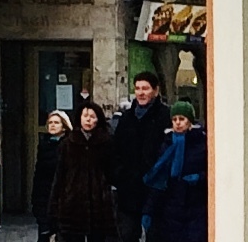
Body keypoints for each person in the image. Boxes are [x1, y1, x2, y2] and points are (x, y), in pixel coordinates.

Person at [109, 73, 171, 242]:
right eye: (137, 88)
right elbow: (116, 150)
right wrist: (119, 175)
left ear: (155, 91)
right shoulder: (126, 118)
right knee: (127, 234)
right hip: (128, 189)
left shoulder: (165, 116)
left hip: (156, 188)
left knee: (156, 235)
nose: (141, 93)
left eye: (145, 88)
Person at [49, 101, 115, 242]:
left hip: (99, 206)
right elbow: (59, 176)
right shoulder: (68, 143)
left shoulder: (106, 142)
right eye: (85, 116)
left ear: (98, 119)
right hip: (72, 205)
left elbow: (112, 172)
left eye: (92, 116)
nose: (88, 119)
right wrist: (54, 209)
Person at [140, 103, 206, 242]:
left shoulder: (201, 144)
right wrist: (148, 211)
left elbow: (212, 173)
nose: (178, 123)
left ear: (189, 121)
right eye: (174, 119)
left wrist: (200, 177)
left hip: (195, 207)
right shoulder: (167, 144)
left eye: (181, 119)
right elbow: (158, 179)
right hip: (170, 209)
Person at [32, 109, 71, 241]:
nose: (53, 125)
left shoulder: (69, 146)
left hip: (63, 200)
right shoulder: (44, 145)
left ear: (64, 127)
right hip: (44, 196)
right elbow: (39, 176)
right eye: (50, 123)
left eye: (57, 123)